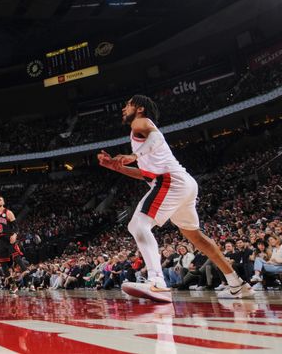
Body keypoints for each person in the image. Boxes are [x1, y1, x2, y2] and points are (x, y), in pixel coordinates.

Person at [97, 94, 253, 301]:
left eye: (127, 105)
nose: (123, 108)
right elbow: (146, 175)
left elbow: (157, 138)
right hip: (184, 183)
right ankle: (237, 284)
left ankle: (157, 282)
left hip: (171, 182)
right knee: (197, 238)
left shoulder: (140, 123)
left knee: (137, 225)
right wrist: (119, 167)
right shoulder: (139, 137)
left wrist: (134, 156)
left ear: (140, 108)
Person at [0, 196, 25, 274]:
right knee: (2, 262)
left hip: (8, 237)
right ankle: (9, 280)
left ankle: (25, 270)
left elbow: (16, 227)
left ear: (3, 203)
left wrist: (15, 235)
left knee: (16, 255)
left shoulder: (8, 212)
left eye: (0, 200)